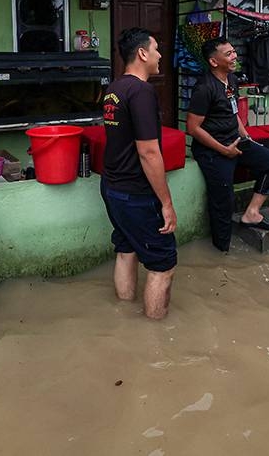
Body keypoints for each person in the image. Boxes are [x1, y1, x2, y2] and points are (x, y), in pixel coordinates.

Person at [100, 28, 178, 320]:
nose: (160, 56)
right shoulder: (142, 91)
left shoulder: (114, 89)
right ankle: (154, 336)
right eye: (156, 49)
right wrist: (167, 204)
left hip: (111, 186)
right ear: (143, 53)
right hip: (135, 192)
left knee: (126, 249)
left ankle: (124, 317)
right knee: (163, 264)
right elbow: (148, 152)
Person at [187, 37, 269, 252]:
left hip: (236, 141)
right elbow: (193, 128)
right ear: (214, 62)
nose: (235, 56)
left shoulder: (231, 80)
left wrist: (246, 138)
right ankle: (221, 252)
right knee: (224, 201)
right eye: (229, 54)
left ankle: (252, 213)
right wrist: (224, 150)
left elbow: (234, 113)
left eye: (234, 51)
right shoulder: (204, 88)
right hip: (212, 150)